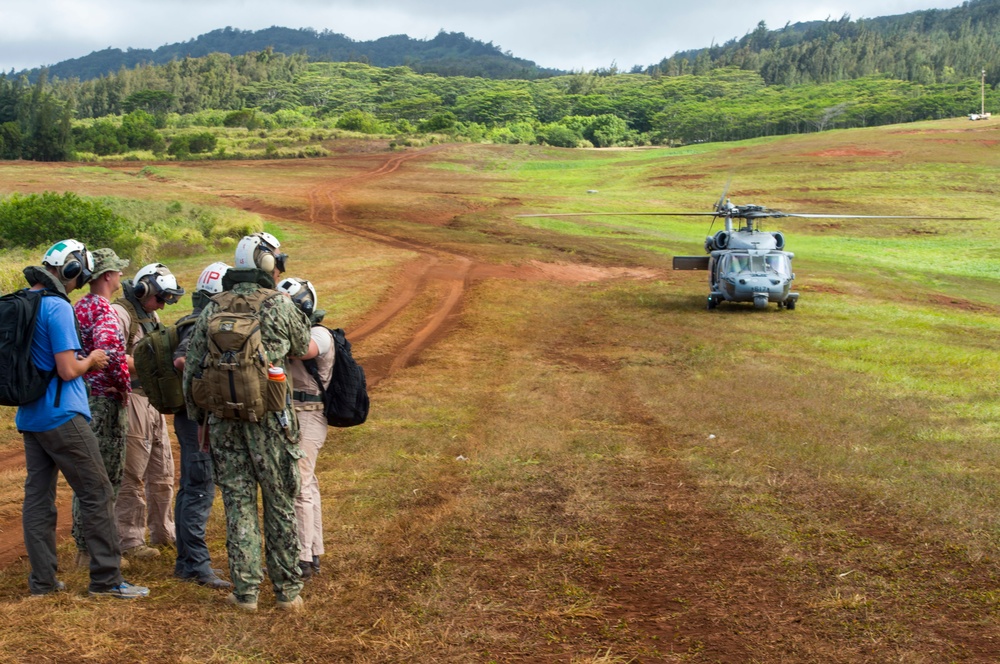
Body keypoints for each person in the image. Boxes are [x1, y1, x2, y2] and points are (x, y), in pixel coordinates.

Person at [183, 232, 311, 612]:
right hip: (272, 418)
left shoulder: (212, 306)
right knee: (279, 502)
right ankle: (287, 591)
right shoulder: (279, 304)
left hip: (224, 422)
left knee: (238, 505)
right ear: (267, 264)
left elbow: (192, 369)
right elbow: (303, 347)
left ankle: (246, 593)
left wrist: (200, 420)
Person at [18, 239, 148, 599]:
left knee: (38, 498)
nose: (82, 279)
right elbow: (68, 368)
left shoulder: (24, 302)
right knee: (97, 491)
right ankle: (107, 581)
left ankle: (43, 582)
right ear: (72, 269)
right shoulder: (57, 307)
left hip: (30, 415)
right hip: (63, 415)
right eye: (80, 272)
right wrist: (91, 359)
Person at [112, 262, 184, 558]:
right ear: (145, 289)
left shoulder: (149, 314)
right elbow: (112, 355)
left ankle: (163, 530)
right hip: (132, 398)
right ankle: (129, 540)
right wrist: (150, 364)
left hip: (152, 399)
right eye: (161, 298)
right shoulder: (120, 314)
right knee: (132, 472)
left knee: (163, 470)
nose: (163, 305)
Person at [171, 262, 232, 590]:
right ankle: (197, 565)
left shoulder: (193, 318)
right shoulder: (200, 324)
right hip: (199, 419)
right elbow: (181, 361)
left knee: (190, 488)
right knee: (199, 488)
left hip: (192, 416)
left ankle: (186, 562)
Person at [71, 248, 132, 569]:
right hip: (105, 401)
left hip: (80, 397)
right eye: (118, 272)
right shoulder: (105, 312)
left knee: (85, 477)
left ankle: (83, 547)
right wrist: (123, 389)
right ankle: (98, 553)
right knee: (107, 478)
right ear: (107, 276)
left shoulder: (78, 307)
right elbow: (110, 354)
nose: (121, 276)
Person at [276, 277, 334, 580]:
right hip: (293, 412)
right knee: (307, 484)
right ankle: (312, 551)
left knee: (298, 484)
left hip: (311, 413)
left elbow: (302, 350)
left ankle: (301, 557)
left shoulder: (320, 334)